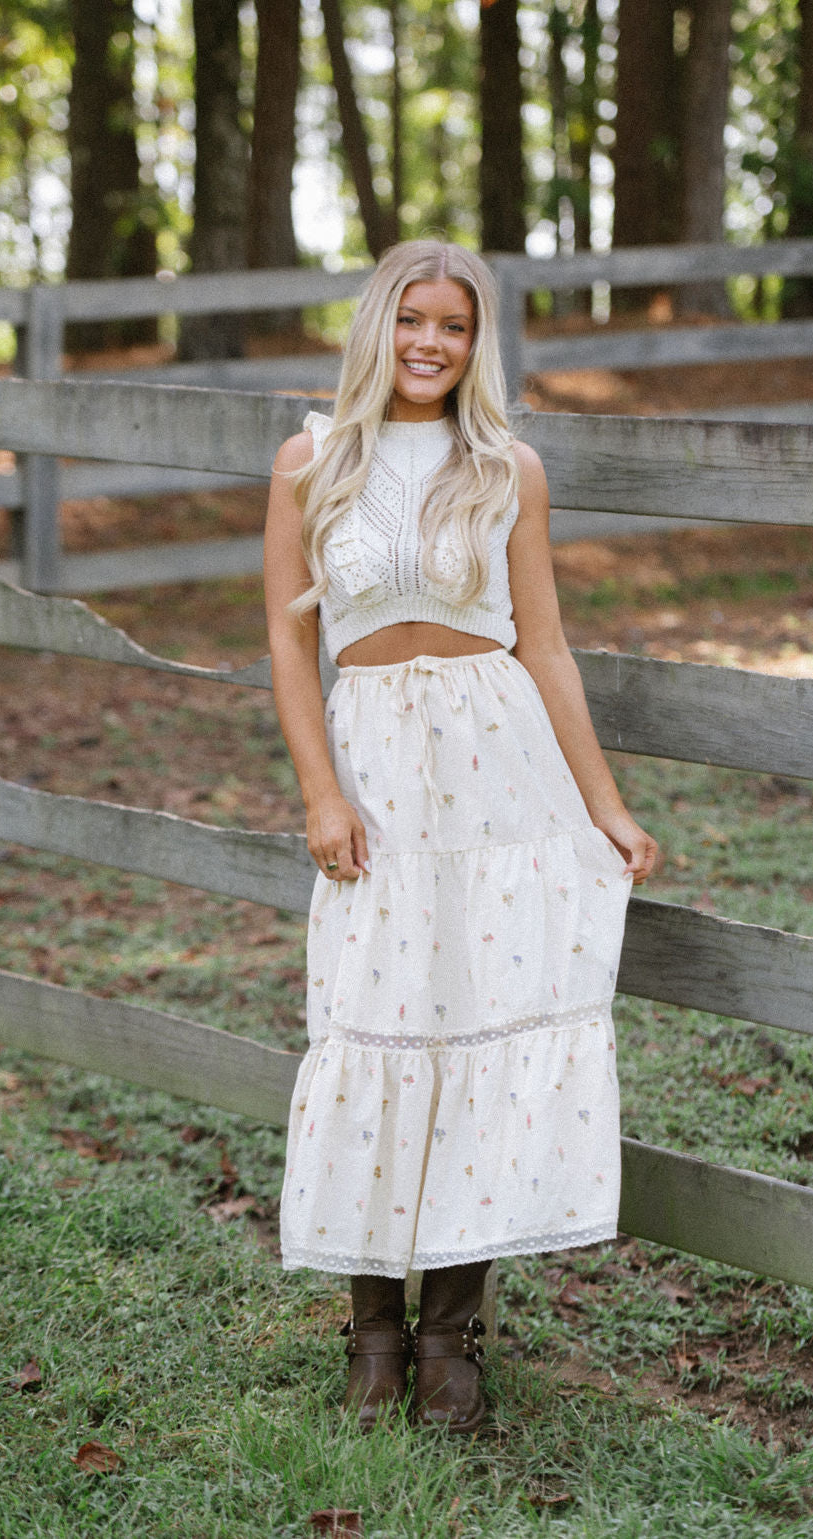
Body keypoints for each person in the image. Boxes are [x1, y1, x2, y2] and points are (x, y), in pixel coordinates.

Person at [263, 239, 656, 1434]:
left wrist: (602, 803)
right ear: (377, 325)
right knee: (376, 1021)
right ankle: (371, 1330)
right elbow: (288, 643)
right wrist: (321, 794)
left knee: (484, 1021)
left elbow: (541, 644)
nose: (432, 343)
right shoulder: (309, 460)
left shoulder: (507, 468)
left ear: (479, 342)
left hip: (500, 774)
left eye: (457, 325)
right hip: (377, 772)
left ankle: (452, 1338)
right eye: (414, 320)